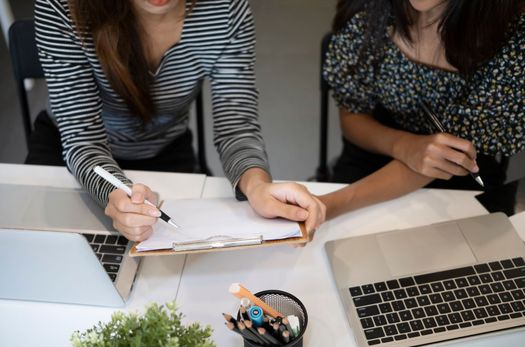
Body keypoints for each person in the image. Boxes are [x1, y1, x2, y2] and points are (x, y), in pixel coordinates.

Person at [33, 0, 325, 241]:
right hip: (71, 157)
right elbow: (83, 139)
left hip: (165, 149)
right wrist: (115, 192)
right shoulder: (62, 8)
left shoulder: (226, 10)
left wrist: (257, 184)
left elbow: (236, 124)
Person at [320, 0, 525, 219]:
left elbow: (447, 157)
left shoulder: (512, 36)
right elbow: (353, 115)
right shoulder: (370, 10)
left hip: (462, 167)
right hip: (378, 146)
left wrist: (328, 205)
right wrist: (403, 145)